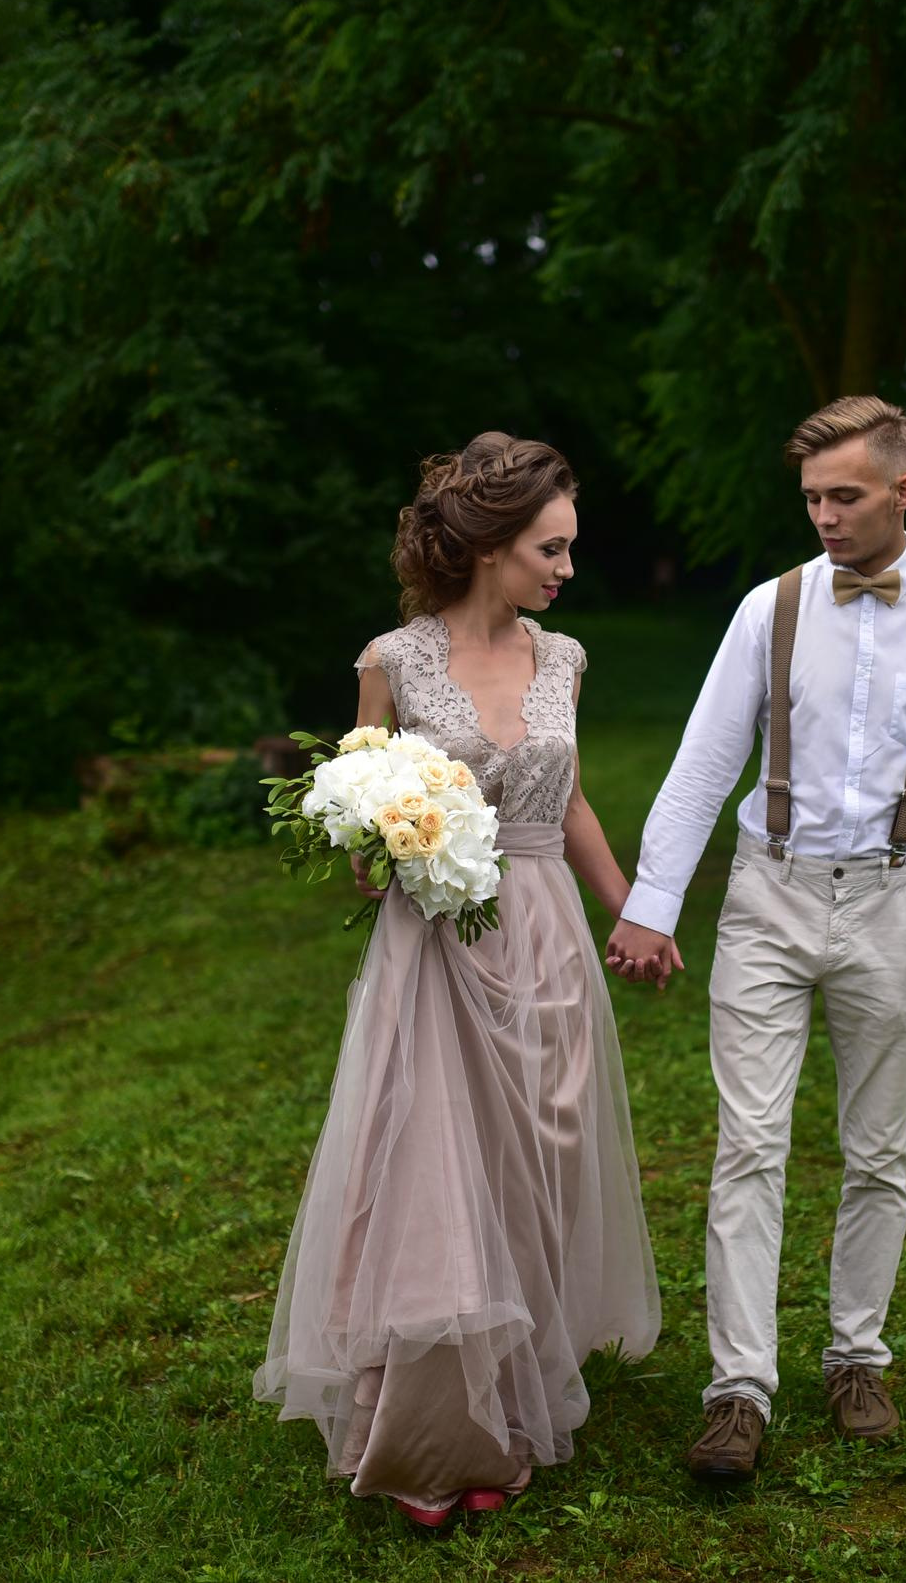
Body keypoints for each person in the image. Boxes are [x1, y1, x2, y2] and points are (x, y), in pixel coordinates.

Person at [604, 395, 906, 1484]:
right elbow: (706, 759)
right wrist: (652, 898)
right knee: (747, 1144)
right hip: (768, 894)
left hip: (895, 901)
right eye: (810, 498)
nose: (824, 517)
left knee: (877, 1149)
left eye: (844, 496)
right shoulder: (768, 609)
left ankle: (856, 1355)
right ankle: (737, 1388)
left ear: (902, 490)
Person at [254, 432, 661, 1529]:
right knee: (439, 1172)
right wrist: (381, 830)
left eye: (568, 548)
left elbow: (565, 798)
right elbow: (354, 834)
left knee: (535, 1163)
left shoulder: (564, 658)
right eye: (551, 546)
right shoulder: (391, 658)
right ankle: (431, 1432)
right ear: (488, 546)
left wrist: (631, 906)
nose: (567, 568)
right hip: (434, 944)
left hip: (546, 938)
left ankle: (514, 1396)